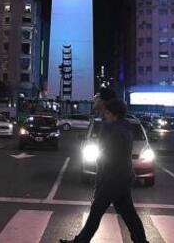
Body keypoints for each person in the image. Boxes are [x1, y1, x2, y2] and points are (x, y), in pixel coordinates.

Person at [61, 99, 148, 243]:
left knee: (97, 211)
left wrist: (102, 176)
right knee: (129, 215)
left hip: (113, 180)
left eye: (107, 113)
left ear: (115, 115)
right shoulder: (123, 129)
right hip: (120, 179)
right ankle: (141, 241)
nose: (105, 116)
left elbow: (111, 158)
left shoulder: (117, 132)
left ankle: (81, 241)